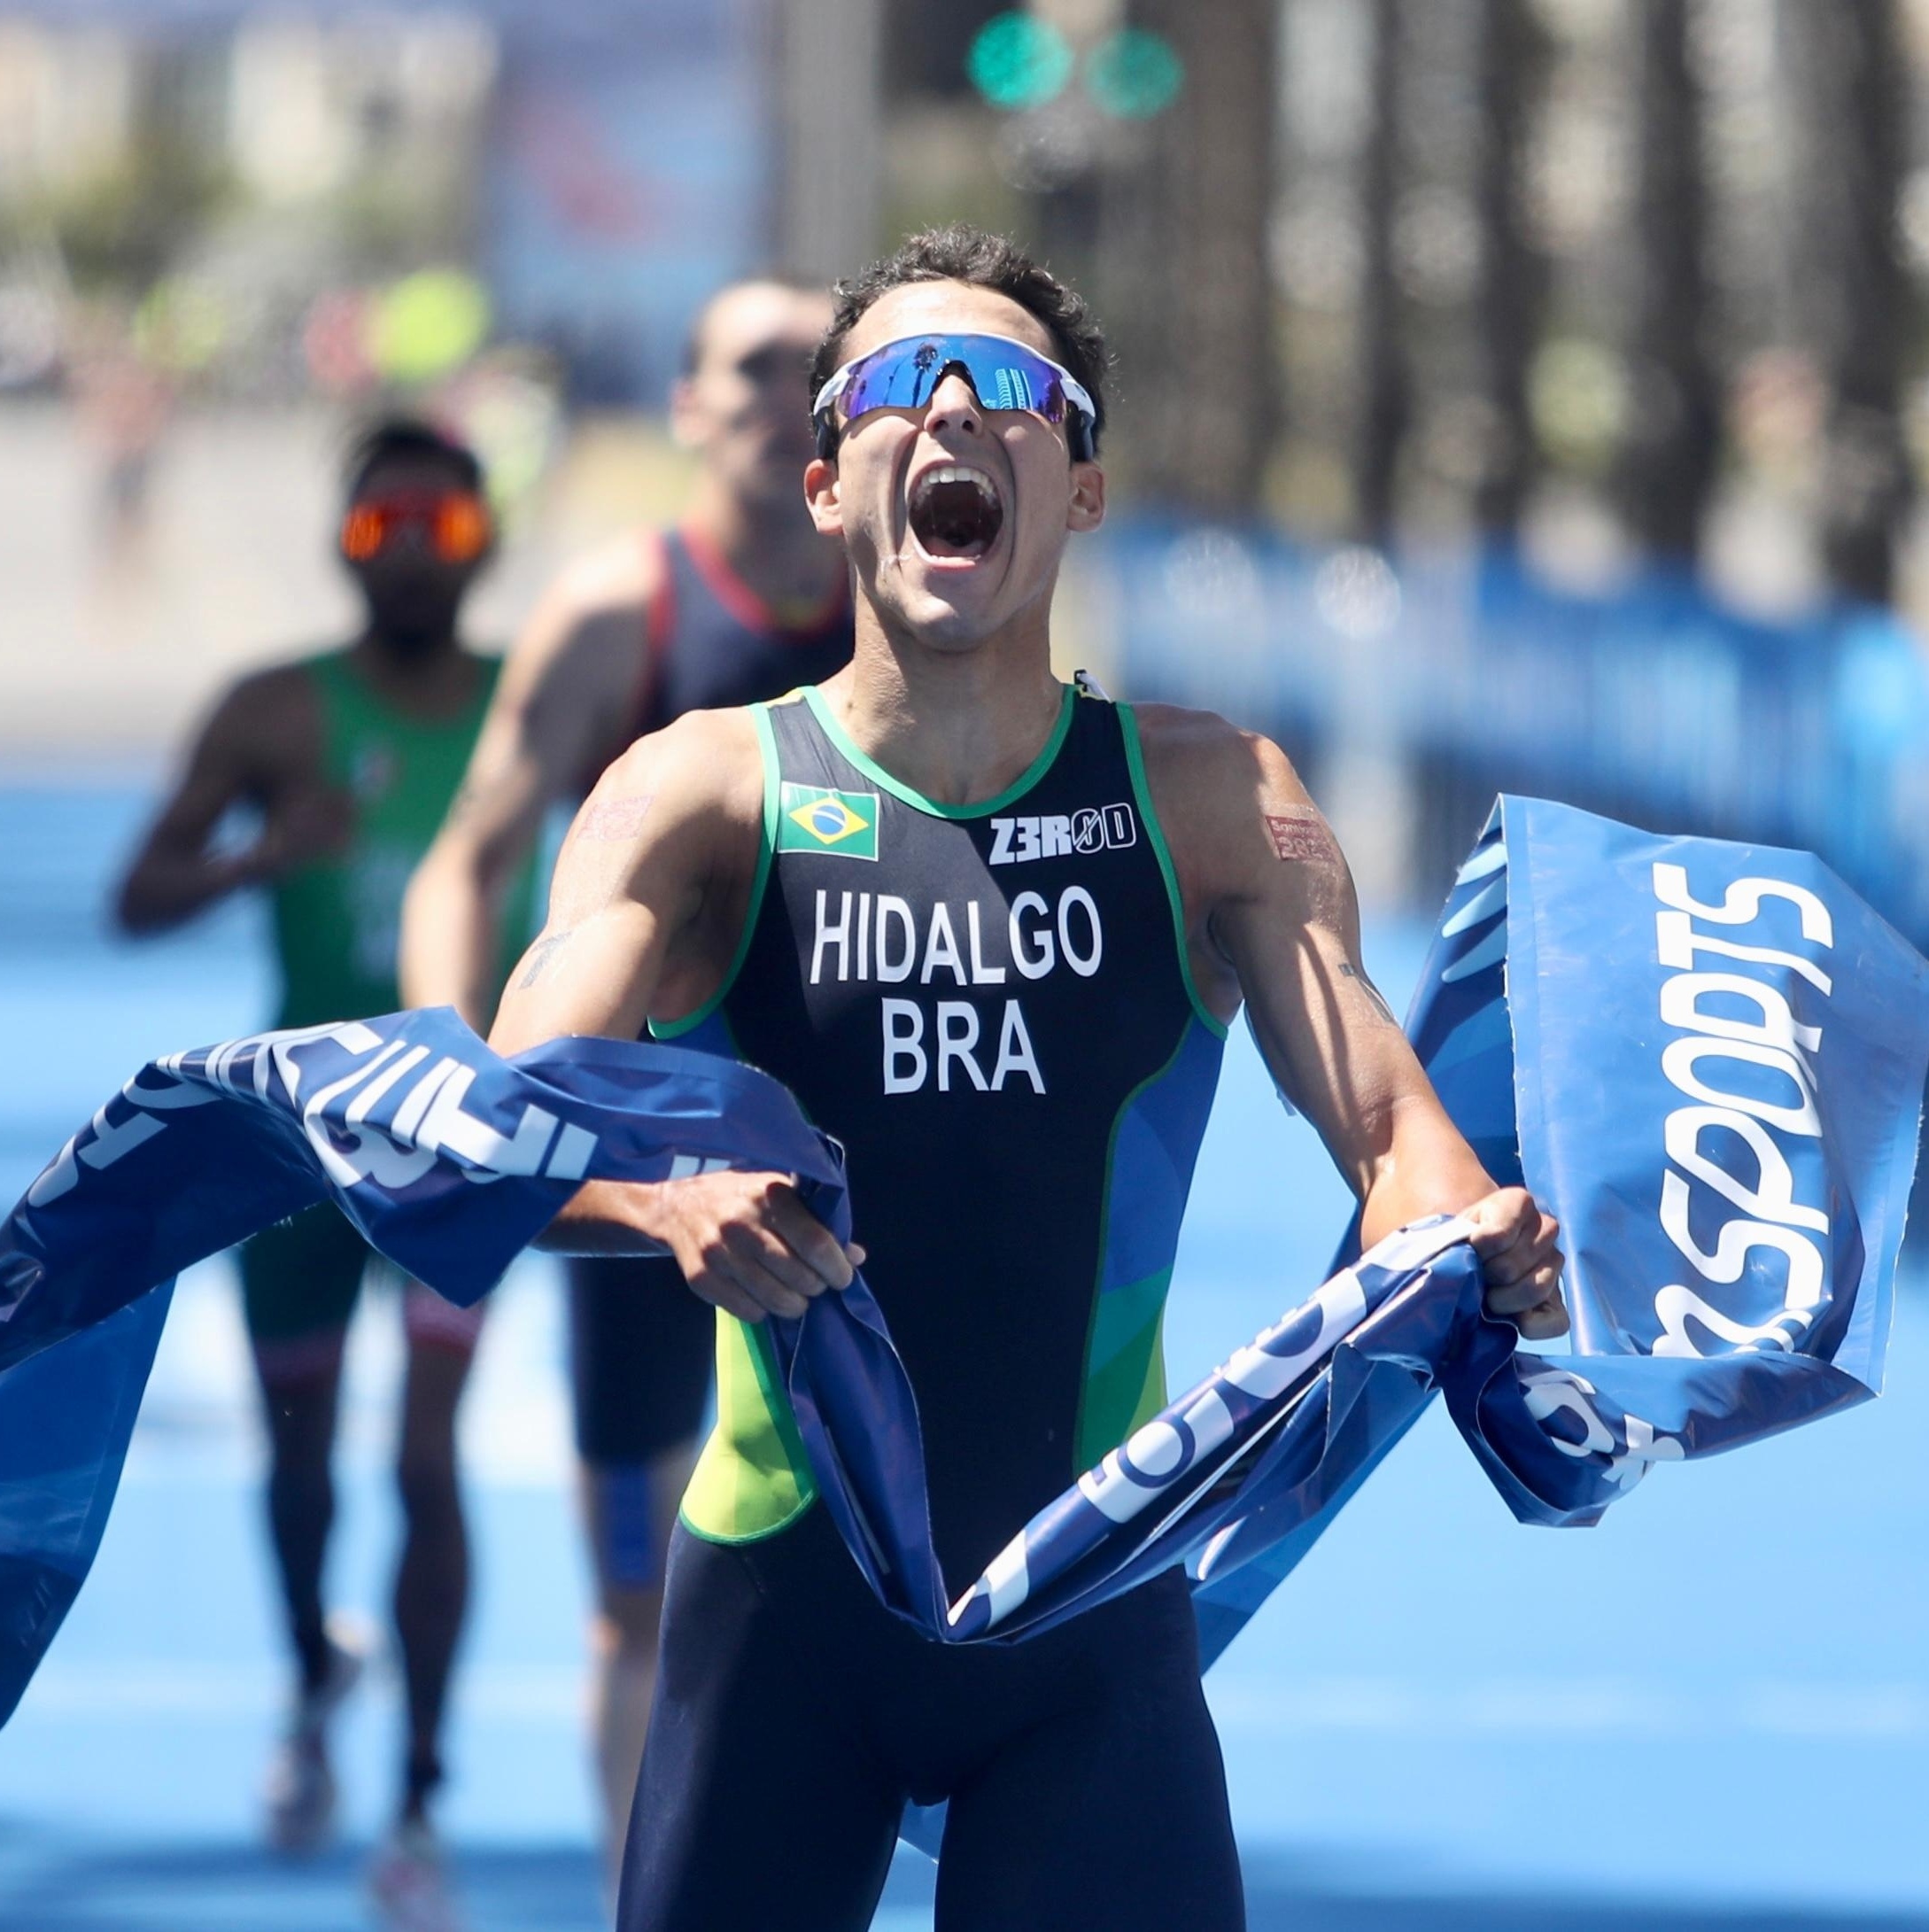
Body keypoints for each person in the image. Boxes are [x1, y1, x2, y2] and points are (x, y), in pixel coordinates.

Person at [485, 225, 1568, 1932]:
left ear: (1079, 489)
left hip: (1084, 1619)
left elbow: (1388, 1129)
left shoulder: (1212, 799)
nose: (959, 416)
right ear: (828, 481)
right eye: (904, 384)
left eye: (1015, 392)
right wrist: (663, 1200)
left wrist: (1471, 1229)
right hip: (783, 1613)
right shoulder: (698, 797)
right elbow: (490, 1136)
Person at [398, 276, 851, 1869]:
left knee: (898, 1581)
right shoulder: (619, 612)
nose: (785, 388)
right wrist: (451, 1078)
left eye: (817, 364)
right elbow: (466, 859)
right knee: (634, 1589)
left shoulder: (923, 616)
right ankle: (634, 1895)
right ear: (685, 405)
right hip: (644, 1179)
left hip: (860, 1164)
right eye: (751, 364)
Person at [114, 418, 531, 1931]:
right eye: (378, 530)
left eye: (437, 523)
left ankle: (417, 1799)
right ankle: (311, 1677)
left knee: (426, 1462)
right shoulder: (275, 712)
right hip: (291, 1143)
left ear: (483, 537)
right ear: (339, 544)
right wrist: (255, 855)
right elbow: (137, 892)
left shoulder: (538, 713)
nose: (412, 551)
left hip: (450, 1153)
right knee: (298, 1462)